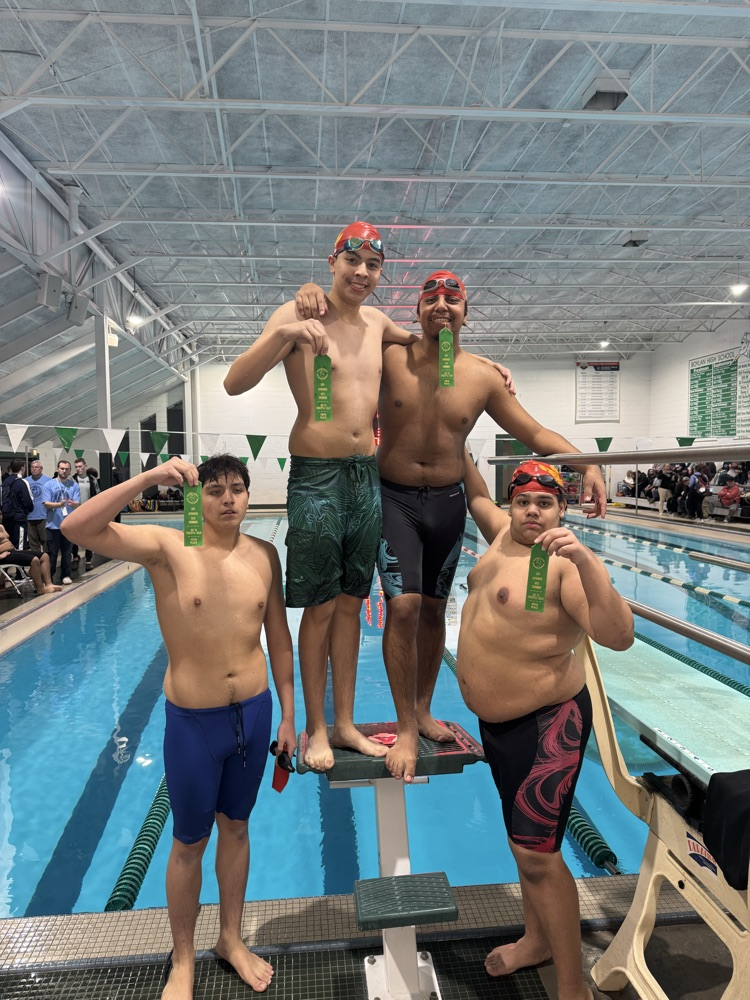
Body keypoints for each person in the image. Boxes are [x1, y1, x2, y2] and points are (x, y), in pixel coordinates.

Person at [297, 269, 607, 782]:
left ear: (466, 312)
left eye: (453, 299)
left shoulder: (482, 377)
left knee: (435, 611)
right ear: (416, 309)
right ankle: (406, 726)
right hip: (392, 498)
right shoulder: (388, 358)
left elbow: (532, 431)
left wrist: (588, 464)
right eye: (431, 297)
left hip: (447, 502)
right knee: (404, 607)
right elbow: (345, 339)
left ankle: (421, 708)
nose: (442, 305)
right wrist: (311, 297)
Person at [62, 454, 295, 999]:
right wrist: (148, 479)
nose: (229, 499)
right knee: (189, 842)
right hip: (194, 723)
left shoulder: (264, 555)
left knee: (236, 829)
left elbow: (279, 638)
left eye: (237, 489)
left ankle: (231, 940)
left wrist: (288, 713)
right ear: (198, 497)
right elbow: (76, 527)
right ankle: (184, 961)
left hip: (255, 715)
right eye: (215, 490)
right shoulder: (168, 549)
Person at [224, 222, 420, 772]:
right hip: (315, 476)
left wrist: (487, 367)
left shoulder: (379, 321)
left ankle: (345, 724)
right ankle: (314, 727)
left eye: (373, 266)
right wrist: (286, 335)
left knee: (353, 604)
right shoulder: (298, 315)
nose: (362, 273)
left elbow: (430, 350)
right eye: (352, 260)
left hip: (365, 477)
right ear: (332, 261)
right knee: (320, 606)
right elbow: (234, 383)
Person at [457, 458, 633, 1000]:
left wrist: (585, 559)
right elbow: (474, 492)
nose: (532, 512)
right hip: (499, 728)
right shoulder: (497, 538)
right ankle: (536, 940)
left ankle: (572, 986)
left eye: (545, 503)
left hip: (547, 724)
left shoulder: (560, 565)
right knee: (523, 846)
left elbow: (618, 634)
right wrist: (452, 418)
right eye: (523, 501)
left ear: (563, 508)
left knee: (539, 856)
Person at [42, 460, 80, 584]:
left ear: (70, 471)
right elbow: (46, 504)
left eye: (67, 469)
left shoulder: (74, 485)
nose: (64, 471)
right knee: (52, 553)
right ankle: (50, 577)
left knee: (67, 552)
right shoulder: (49, 485)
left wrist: (73, 504)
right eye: (62, 468)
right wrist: (59, 504)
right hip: (53, 525)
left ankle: (65, 575)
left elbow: (77, 504)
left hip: (68, 526)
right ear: (57, 469)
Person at [0, 521, 62, 595]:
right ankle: (40, 588)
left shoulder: (1, 526)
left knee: (44, 556)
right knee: (34, 560)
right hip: (4, 555)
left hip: (12, 551)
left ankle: (49, 584)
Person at [71, 458, 101, 571]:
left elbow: (98, 496)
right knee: (73, 536)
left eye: (80, 466)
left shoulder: (92, 480)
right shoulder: (72, 479)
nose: (78, 469)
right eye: (76, 467)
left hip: (88, 512)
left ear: (85, 466)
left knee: (89, 536)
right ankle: (75, 556)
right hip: (75, 512)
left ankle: (88, 560)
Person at [1, 459, 33, 549]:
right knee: (20, 545)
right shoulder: (21, 482)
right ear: (22, 468)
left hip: (7, 517)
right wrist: (30, 509)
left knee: (9, 544)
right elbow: (28, 501)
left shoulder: (6, 481)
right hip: (19, 518)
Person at [25, 459, 51, 553]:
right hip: (30, 515)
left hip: (44, 515)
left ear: (41, 469)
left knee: (45, 540)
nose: (34, 469)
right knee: (33, 541)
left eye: (36, 467)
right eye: (32, 467)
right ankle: (37, 560)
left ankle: (47, 560)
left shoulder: (48, 480)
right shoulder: (26, 481)